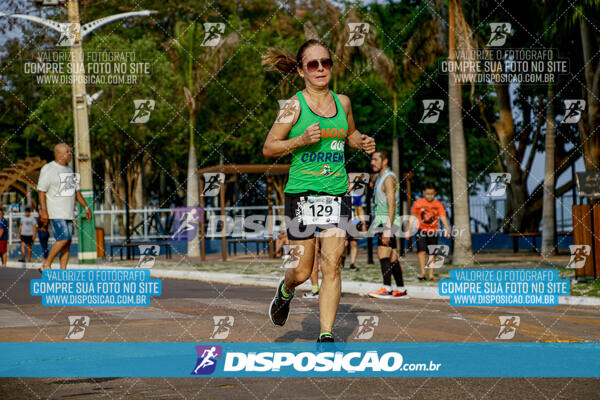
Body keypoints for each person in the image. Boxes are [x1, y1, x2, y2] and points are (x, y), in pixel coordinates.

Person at [262, 39, 376, 342]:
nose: (321, 68)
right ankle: (285, 291)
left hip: (336, 193)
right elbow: (269, 147)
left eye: (326, 62)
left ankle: (326, 335)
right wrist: (300, 141)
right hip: (301, 195)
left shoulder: (344, 103)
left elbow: (350, 134)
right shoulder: (293, 106)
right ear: (301, 71)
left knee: (332, 265)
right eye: (313, 64)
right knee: (301, 271)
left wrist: (362, 141)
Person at [37, 143, 92, 272]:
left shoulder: (70, 170)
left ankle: (63, 271)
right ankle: (47, 263)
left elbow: (76, 192)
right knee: (64, 238)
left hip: (69, 213)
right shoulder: (48, 168)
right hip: (56, 213)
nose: (70, 153)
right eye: (67, 151)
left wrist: (86, 207)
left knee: (67, 243)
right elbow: (41, 190)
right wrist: (44, 210)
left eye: (70, 151)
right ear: (59, 154)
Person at [367, 150, 407, 299]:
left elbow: (392, 206)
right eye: (372, 159)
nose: (372, 162)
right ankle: (401, 289)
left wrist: (388, 229)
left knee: (382, 253)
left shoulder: (388, 178)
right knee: (392, 257)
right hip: (385, 220)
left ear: (385, 161)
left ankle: (386, 288)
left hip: (387, 221)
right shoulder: (381, 177)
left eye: (376, 159)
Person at [411, 181, 451, 281]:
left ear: (435, 193)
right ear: (423, 192)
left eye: (432, 194)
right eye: (428, 194)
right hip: (421, 230)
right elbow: (413, 216)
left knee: (432, 252)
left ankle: (431, 275)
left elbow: (442, 216)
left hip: (433, 231)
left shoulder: (438, 204)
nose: (430, 196)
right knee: (421, 251)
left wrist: (447, 228)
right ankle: (423, 273)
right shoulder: (418, 203)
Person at [346, 194, 366, 271]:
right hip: (344, 222)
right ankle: (342, 260)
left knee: (354, 243)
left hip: (354, 223)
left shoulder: (356, 195)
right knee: (344, 243)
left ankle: (352, 264)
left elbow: (360, 209)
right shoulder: (341, 192)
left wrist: (363, 224)